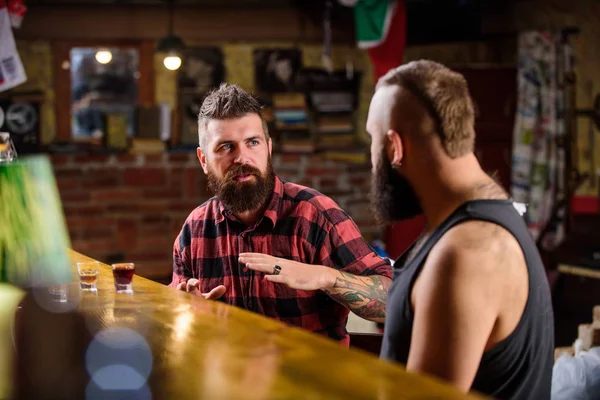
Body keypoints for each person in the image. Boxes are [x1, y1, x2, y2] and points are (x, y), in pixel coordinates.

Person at [367, 60, 554, 399]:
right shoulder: (480, 220)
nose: (372, 157)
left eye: (373, 140)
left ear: (395, 147)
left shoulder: (467, 253)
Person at [169, 83, 392, 345]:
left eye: (252, 142)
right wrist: (187, 312)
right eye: (226, 147)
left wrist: (325, 277)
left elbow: (393, 299)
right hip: (227, 378)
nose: (242, 157)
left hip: (309, 379)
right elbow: (177, 318)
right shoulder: (195, 229)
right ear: (204, 160)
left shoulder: (316, 215)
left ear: (269, 148)